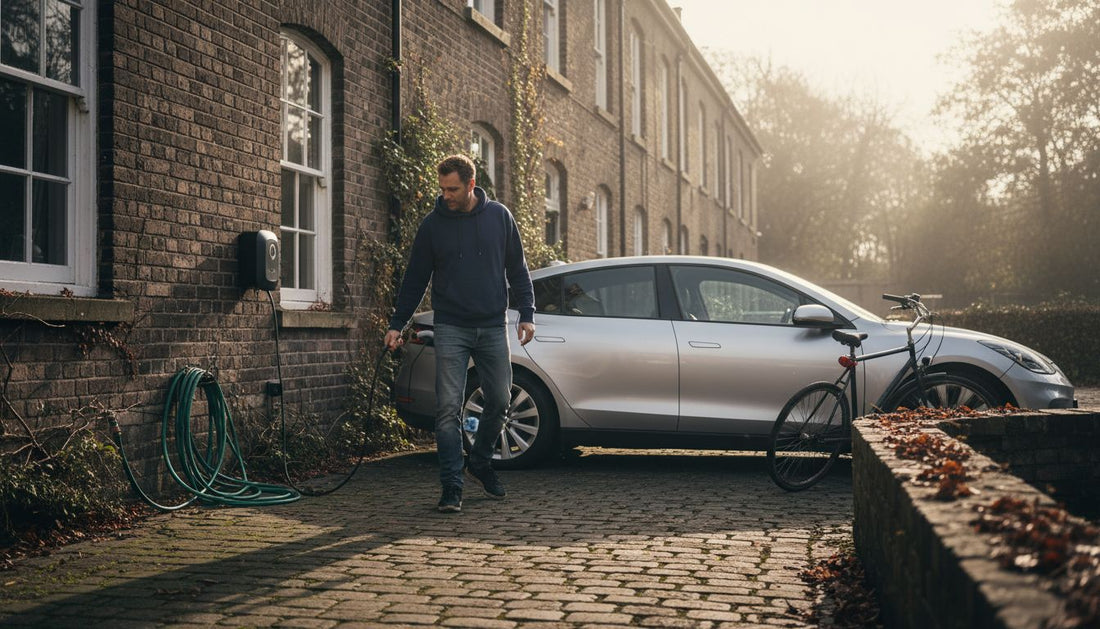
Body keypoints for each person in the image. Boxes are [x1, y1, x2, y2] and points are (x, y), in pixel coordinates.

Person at [384, 154, 535, 513]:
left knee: (499, 401)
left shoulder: (500, 217)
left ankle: (479, 462)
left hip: (492, 325)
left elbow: (517, 268)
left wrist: (527, 314)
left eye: (452, 189)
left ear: (470, 184)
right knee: (447, 410)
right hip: (450, 326)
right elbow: (415, 279)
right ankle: (452, 486)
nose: (445, 195)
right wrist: (397, 323)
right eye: (442, 189)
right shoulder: (432, 226)